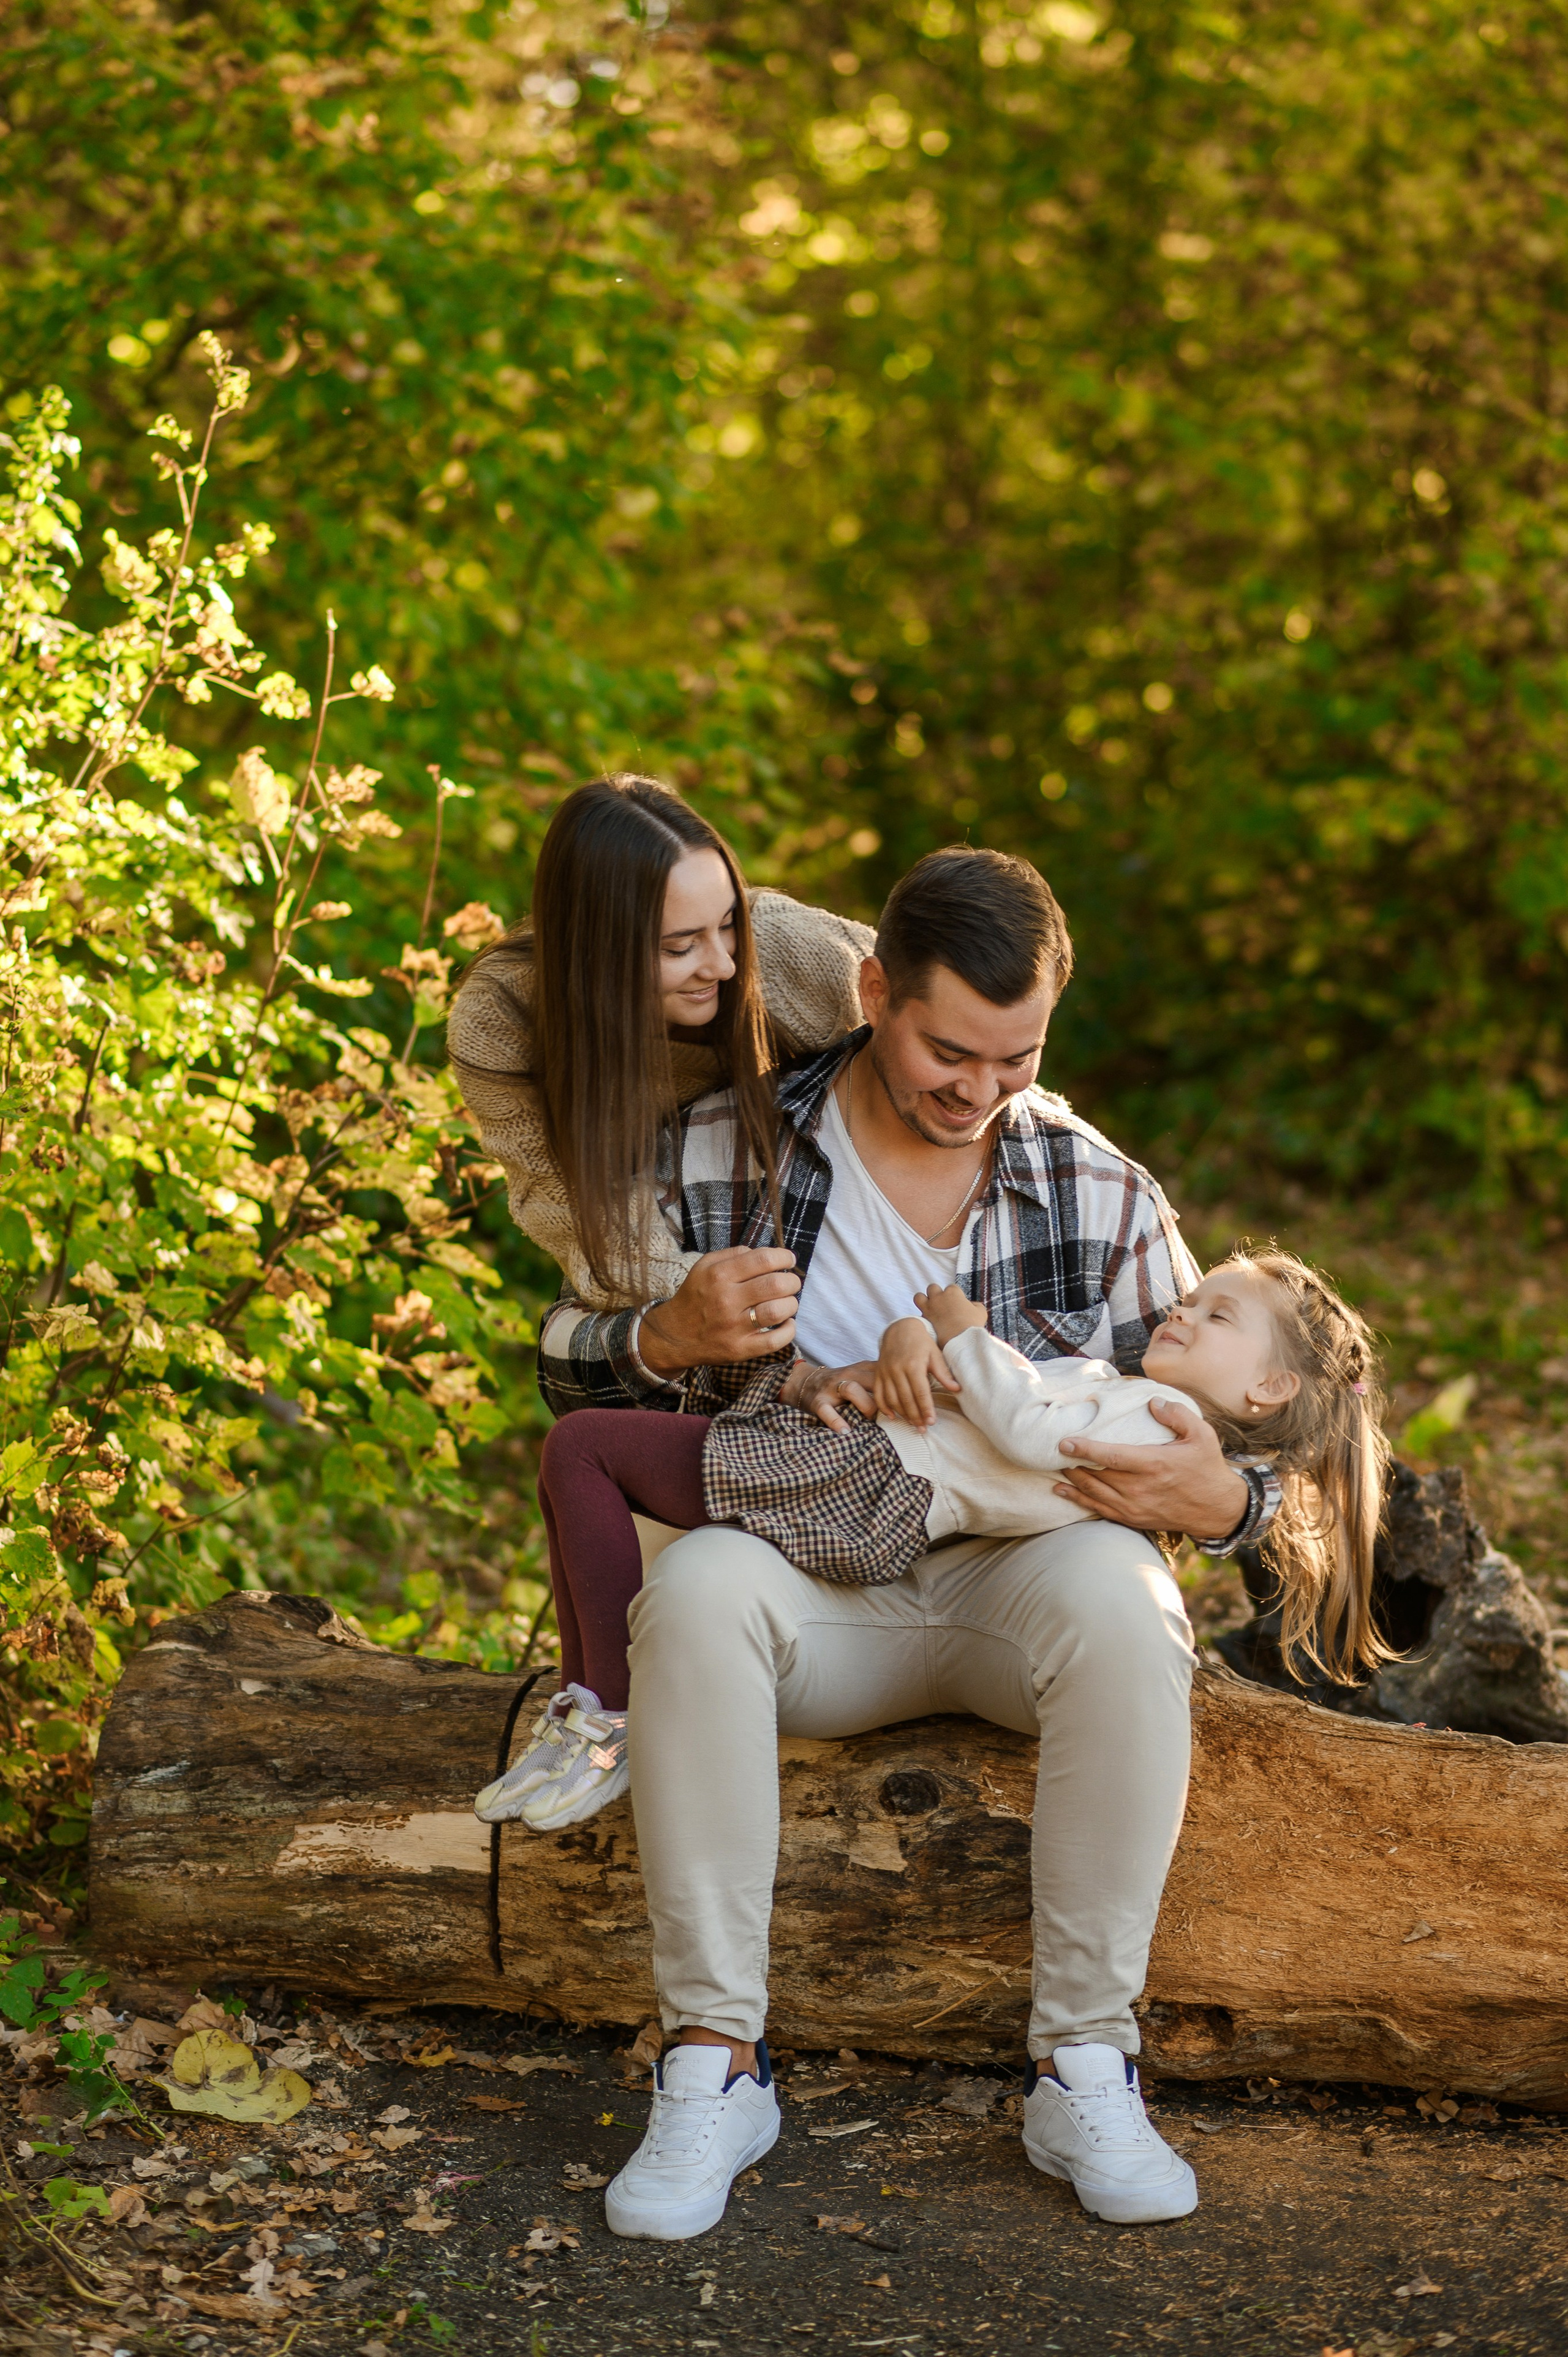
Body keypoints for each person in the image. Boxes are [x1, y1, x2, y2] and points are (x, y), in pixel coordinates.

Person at [533, 844, 1296, 2238]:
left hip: (1025, 1588)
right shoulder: (721, 1150)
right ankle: (714, 2061)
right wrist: (663, 1335)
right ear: (874, 991)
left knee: (1129, 1598)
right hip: (813, 1577)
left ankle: (1084, 2063)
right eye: (950, 1051)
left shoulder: (1098, 1189)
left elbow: (1283, 1442)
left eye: (1017, 1058)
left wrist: (1228, 1506)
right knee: (695, 1590)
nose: (980, 1090)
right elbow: (566, 1364)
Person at [477, 1252, 1388, 1830]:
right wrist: (915, 1346)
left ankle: (605, 1718)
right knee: (580, 1457)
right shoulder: (1136, 1395)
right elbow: (1001, 1406)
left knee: (584, 1450)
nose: (1180, 1310)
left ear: (1269, 1388)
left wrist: (961, 1330)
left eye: (1216, 1315)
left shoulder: (1158, 1416)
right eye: (1189, 1297)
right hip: (870, 1474)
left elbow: (1028, 1430)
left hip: (861, 1481)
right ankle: (589, 1710)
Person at [447, 772, 873, 1811]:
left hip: (833, 1240)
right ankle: (602, 1708)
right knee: (578, 1398)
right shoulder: (503, 1021)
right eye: (681, 945)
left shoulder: (786, 952)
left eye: (726, 927)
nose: (722, 964)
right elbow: (580, 1223)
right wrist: (708, 1317)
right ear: (595, 951)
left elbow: (952, 1022)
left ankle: (633, 1706)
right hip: (672, 1265)